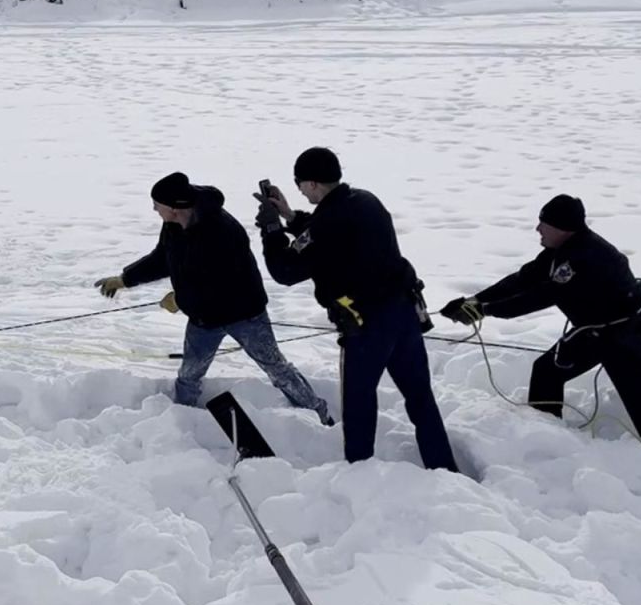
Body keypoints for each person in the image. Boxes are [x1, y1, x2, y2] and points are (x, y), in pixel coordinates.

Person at [256, 147, 458, 472]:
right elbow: (328, 233)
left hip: (367, 326)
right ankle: (444, 468)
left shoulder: (327, 223)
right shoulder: (366, 201)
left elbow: (287, 271)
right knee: (420, 397)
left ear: (312, 184)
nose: (300, 190)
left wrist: (272, 231)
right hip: (404, 312)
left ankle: (359, 472)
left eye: (300, 184)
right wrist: (291, 217)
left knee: (359, 401)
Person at [95, 171, 333, 425]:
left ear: (175, 208)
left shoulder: (221, 232)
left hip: (245, 314)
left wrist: (180, 300)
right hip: (203, 320)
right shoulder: (174, 224)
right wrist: (125, 279)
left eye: (157, 205)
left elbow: (220, 284)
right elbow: (163, 257)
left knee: (277, 369)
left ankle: (319, 413)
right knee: (189, 375)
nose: (154, 208)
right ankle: (182, 420)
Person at [439, 194, 641, 436]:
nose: (538, 229)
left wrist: (483, 311)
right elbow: (523, 280)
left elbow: (540, 297)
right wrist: (475, 301)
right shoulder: (560, 250)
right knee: (547, 372)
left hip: (626, 339)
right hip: (594, 332)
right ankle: (546, 437)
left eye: (544, 223)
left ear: (563, 227)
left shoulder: (585, 256)